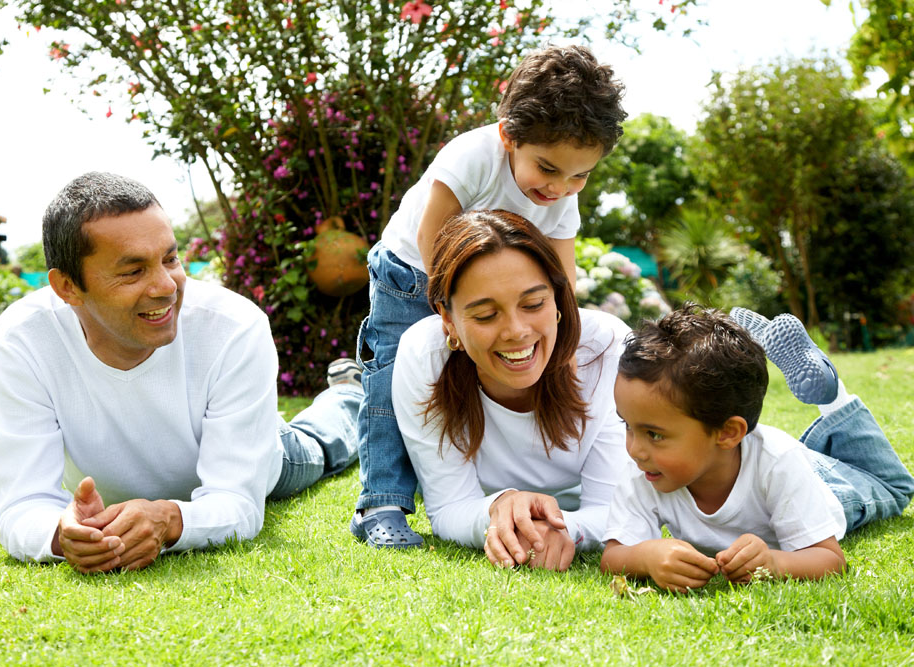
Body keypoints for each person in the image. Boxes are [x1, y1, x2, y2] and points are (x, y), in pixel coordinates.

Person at [0, 172, 361, 574]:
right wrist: (62, 534)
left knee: (316, 446)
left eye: (170, 259)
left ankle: (349, 395)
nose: (166, 286)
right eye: (133, 271)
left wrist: (168, 520)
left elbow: (237, 501)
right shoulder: (22, 340)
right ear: (67, 287)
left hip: (260, 451)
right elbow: (21, 505)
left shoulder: (233, 326)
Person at [352, 44, 628, 548]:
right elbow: (432, 233)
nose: (561, 187)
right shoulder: (473, 155)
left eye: (580, 175)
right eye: (547, 168)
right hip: (413, 270)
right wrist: (453, 317)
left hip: (487, 291)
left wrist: (562, 332)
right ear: (509, 136)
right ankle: (382, 503)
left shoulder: (562, 197)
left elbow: (561, 277)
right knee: (391, 379)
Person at [600, 305, 914, 592]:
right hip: (770, 466)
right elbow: (613, 556)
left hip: (828, 488)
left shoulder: (778, 462)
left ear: (726, 432)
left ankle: (832, 396)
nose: (635, 450)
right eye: (627, 426)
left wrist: (776, 562)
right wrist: (646, 556)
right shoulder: (647, 468)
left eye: (653, 434)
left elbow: (830, 559)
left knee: (895, 487)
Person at [391, 209, 630, 570]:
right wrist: (500, 507)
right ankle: (345, 398)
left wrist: (563, 529)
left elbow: (613, 507)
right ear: (448, 319)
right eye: (486, 315)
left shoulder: (606, 348)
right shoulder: (424, 355)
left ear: (557, 299)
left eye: (533, 304)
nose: (516, 331)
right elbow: (448, 507)